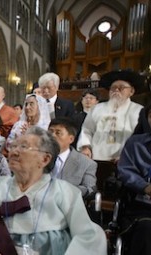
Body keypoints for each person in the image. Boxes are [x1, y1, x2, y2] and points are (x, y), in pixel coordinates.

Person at [0, 126, 107, 255]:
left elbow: (88, 234)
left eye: (24, 147)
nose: (14, 151)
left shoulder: (64, 191)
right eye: (13, 146)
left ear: (44, 159)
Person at [77, 70, 143, 161]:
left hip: (126, 161)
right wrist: (85, 147)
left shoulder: (139, 111)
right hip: (96, 158)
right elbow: (87, 130)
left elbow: (141, 138)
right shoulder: (97, 109)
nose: (116, 90)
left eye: (121, 88)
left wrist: (128, 155)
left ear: (131, 91)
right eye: (113, 88)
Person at [117, 103, 151, 255]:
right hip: (143, 205)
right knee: (146, 228)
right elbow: (125, 171)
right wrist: (145, 187)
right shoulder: (135, 143)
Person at [49, 118, 97, 197]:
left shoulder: (87, 163)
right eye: (50, 132)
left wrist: (66, 191)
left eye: (58, 133)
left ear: (71, 139)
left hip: (68, 204)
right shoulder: (37, 157)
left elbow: (89, 189)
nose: (52, 136)